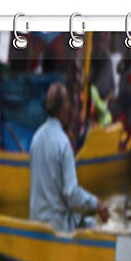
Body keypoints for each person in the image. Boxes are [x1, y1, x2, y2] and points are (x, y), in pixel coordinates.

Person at [29, 83, 109, 231]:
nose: (69, 110)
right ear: (61, 111)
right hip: (57, 227)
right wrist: (96, 204)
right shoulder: (63, 143)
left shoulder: (36, 138)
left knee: (86, 218)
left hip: (36, 223)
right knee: (93, 225)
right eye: (67, 106)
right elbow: (71, 195)